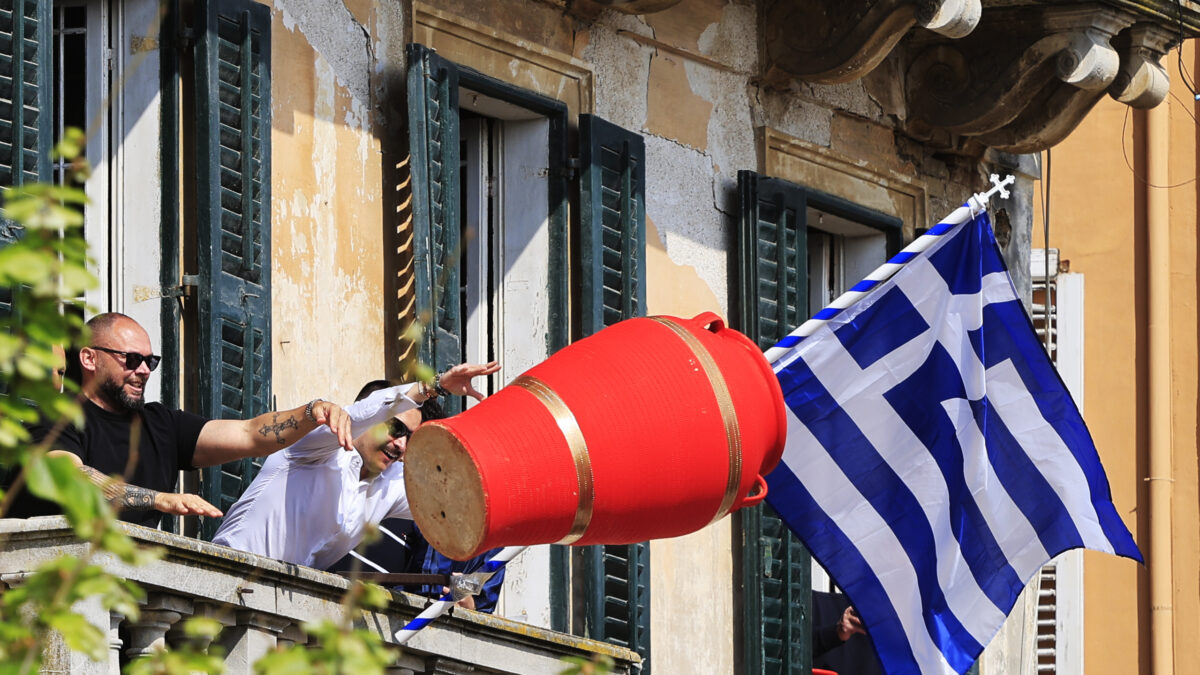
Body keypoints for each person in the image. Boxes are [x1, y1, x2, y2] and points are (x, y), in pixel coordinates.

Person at [5, 312, 355, 528]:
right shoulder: (55, 417)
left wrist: (312, 413)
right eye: (130, 359)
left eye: (149, 361)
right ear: (89, 358)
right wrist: (159, 499)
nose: (143, 370)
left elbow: (250, 434)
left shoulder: (162, 425)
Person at [211, 362, 500, 571]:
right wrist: (432, 387)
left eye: (410, 439)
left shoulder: (391, 485)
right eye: (395, 428)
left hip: (274, 613)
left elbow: (455, 501)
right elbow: (361, 413)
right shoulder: (316, 446)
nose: (401, 445)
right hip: (225, 576)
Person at [329, 381, 505, 612]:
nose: (400, 446)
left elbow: (479, 602)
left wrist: (465, 598)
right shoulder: (378, 484)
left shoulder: (489, 538)